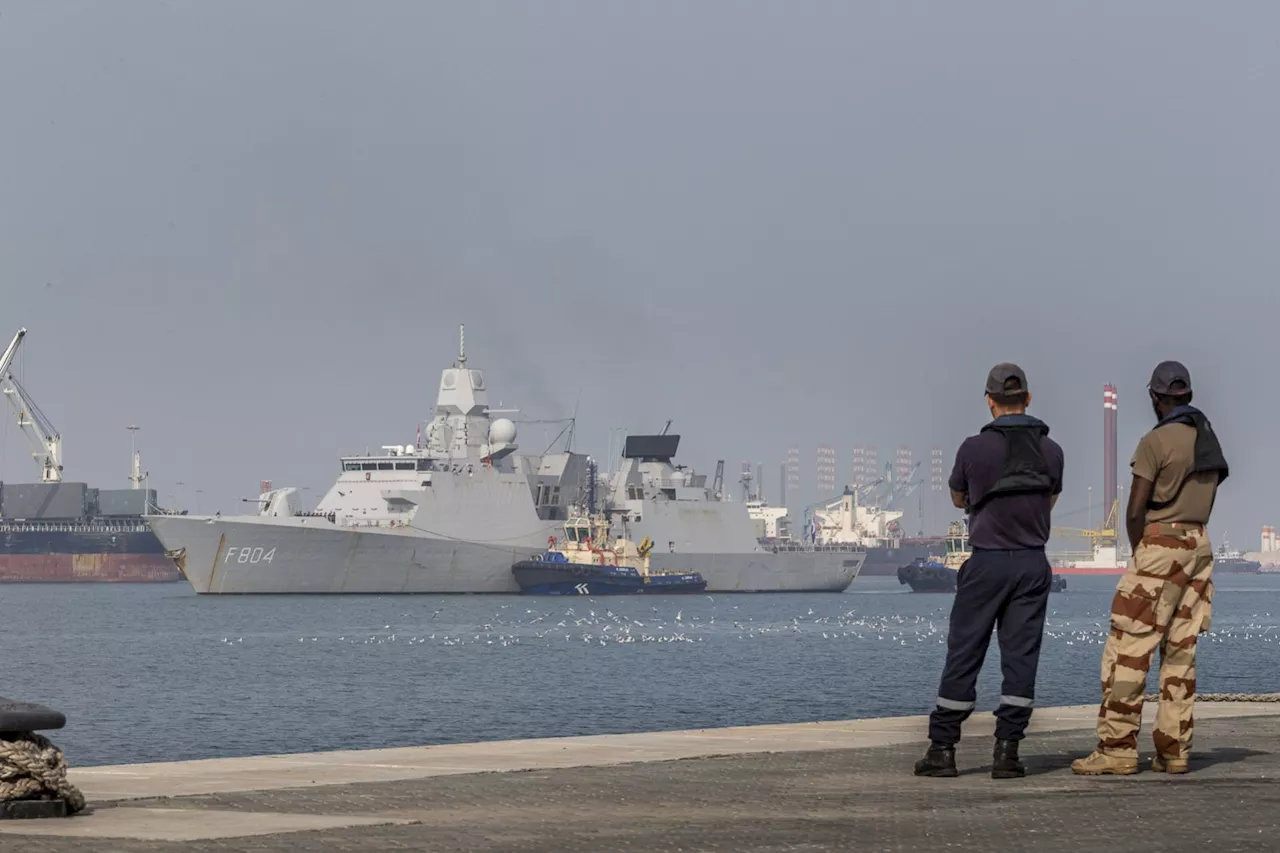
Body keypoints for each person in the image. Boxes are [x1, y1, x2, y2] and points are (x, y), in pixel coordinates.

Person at [1072, 361, 1227, 776]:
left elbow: (1136, 507)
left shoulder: (1155, 442)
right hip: (1199, 546)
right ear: (1189, 396)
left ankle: (1118, 749)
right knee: (1180, 653)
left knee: (1129, 649)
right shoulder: (1207, 439)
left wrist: (1142, 550)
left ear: (1155, 398)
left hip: (1159, 545)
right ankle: (1174, 751)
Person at [914, 363, 1064, 779]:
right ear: (1028, 399)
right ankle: (1007, 753)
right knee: (1021, 657)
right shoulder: (1052, 451)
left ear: (989, 400)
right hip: (1033, 562)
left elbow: (959, 498)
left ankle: (943, 750)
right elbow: (1049, 500)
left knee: (965, 651)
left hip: (986, 561)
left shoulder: (972, 448)